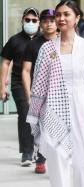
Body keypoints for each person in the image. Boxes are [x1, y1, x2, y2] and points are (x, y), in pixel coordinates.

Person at [26, 1, 84, 186]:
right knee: (57, 160)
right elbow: (39, 83)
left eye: (66, 14)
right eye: (58, 15)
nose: (61, 18)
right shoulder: (47, 48)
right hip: (53, 110)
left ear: (77, 18)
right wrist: (36, 113)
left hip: (81, 108)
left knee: (81, 161)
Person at [0, 7, 40, 166]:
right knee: (25, 114)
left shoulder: (43, 40)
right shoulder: (14, 40)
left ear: (39, 22)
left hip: (40, 83)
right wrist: (2, 86)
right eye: (27, 20)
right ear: (22, 20)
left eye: (34, 20)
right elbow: (5, 62)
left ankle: (40, 150)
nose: (31, 23)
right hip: (18, 83)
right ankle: (27, 152)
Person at [22, 8, 57, 174]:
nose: (48, 24)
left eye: (52, 20)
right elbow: (26, 70)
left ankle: (60, 158)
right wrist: (29, 95)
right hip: (40, 93)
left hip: (60, 92)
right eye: (45, 21)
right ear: (41, 24)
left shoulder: (64, 41)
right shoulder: (34, 44)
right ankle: (41, 159)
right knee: (42, 128)